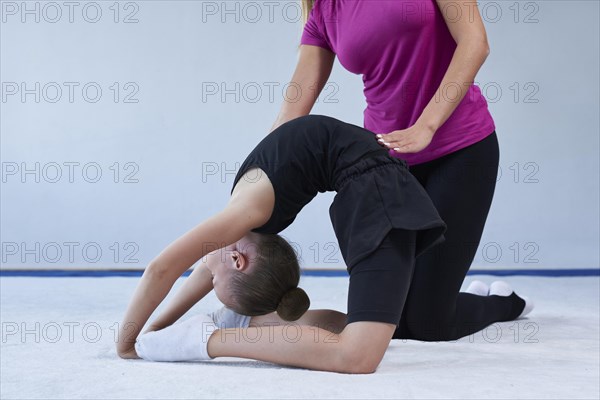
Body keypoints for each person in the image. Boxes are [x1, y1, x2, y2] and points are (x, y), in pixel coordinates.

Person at [118, 115, 530, 373]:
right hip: (371, 186)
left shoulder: (242, 215)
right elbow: (207, 271)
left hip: (379, 189)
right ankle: (500, 302)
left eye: (219, 289)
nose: (207, 275)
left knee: (357, 356)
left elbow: (162, 268)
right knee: (407, 325)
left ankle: (209, 343)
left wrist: (127, 343)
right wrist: (155, 330)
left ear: (238, 259)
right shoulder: (238, 232)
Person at [261, 0, 530, 341]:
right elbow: (292, 112)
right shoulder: (324, 11)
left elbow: (476, 43)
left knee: (430, 324)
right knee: (391, 323)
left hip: (461, 150)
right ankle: (443, 296)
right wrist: (254, 181)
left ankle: (502, 303)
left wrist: (426, 126)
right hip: (387, 165)